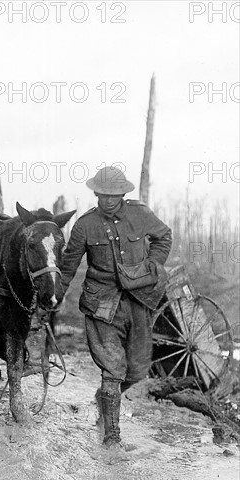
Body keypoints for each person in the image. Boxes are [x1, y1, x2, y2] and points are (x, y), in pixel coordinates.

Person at [61, 166, 172, 450]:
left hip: (138, 301)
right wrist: (54, 296)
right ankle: (112, 438)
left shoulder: (140, 214)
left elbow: (164, 236)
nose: (108, 200)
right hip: (101, 305)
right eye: (103, 195)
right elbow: (68, 266)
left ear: (123, 193)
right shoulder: (85, 225)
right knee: (113, 369)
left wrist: (153, 264)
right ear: (96, 193)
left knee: (136, 370)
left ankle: (105, 398)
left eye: (114, 195)